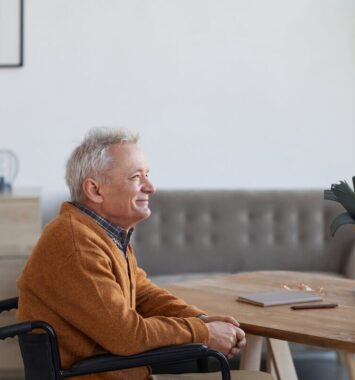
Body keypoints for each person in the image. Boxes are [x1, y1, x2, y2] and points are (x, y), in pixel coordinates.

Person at [17, 127, 247, 379]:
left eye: (147, 175)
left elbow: (143, 295)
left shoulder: (103, 233)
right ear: (95, 190)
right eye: (136, 177)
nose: (151, 187)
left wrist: (201, 319)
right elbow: (127, 335)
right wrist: (204, 333)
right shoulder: (76, 243)